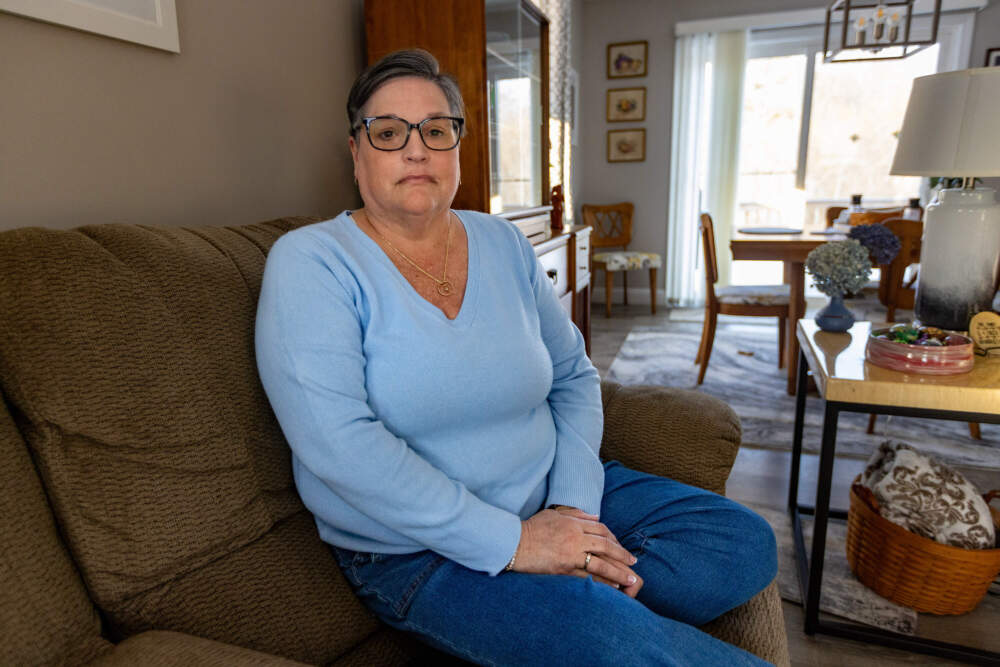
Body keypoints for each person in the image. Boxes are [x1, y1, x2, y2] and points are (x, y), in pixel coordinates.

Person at [255, 49, 777, 666]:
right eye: (389, 132)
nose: (416, 150)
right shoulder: (311, 261)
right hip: (418, 549)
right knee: (614, 644)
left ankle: (571, 609)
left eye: (437, 129)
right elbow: (340, 447)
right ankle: (587, 622)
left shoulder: (502, 241)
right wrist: (516, 543)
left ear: (457, 145)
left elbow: (574, 376)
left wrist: (570, 513)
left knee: (742, 543)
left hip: (551, 493)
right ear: (356, 151)